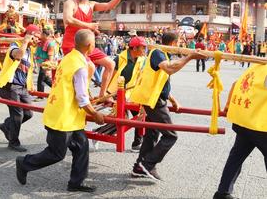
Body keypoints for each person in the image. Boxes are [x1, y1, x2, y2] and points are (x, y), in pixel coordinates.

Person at [15, 29, 105, 193]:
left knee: (81, 147)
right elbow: (82, 98)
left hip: (68, 115)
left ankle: (76, 183)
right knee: (56, 153)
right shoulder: (80, 65)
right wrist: (95, 114)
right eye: (94, 44)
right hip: (63, 116)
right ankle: (24, 163)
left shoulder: (69, 57)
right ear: (90, 45)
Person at [130, 32, 205, 180]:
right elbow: (169, 69)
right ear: (173, 43)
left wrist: (172, 99)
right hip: (154, 100)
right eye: (178, 44)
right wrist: (189, 57)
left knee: (152, 134)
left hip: (153, 98)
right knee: (171, 135)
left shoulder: (162, 53)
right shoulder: (158, 52)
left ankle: (139, 166)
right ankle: (147, 164)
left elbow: (161, 81)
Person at [62, 0, 128, 98]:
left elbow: (110, 6)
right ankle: (82, 95)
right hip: (72, 45)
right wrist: (89, 25)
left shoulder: (92, 5)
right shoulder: (70, 3)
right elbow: (68, 19)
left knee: (110, 64)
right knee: (90, 67)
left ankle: (102, 95)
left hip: (87, 46)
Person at [213, 63, 267, 199]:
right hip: (260, 125)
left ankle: (223, 192)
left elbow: (236, 84)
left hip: (245, 121)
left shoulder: (257, 66)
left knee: (236, 156)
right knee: (236, 155)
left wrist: (227, 105)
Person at [95, 36, 147, 152]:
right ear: (134, 48)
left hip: (131, 92)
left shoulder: (142, 59)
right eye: (142, 48)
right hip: (116, 92)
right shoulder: (119, 58)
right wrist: (105, 93)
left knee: (140, 114)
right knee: (121, 119)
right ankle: (98, 132)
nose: (144, 50)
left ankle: (137, 143)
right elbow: (109, 75)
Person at [0, 24, 41, 152]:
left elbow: (28, 70)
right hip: (10, 86)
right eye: (36, 37)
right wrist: (25, 41)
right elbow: (18, 55)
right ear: (30, 36)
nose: (38, 40)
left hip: (22, 87)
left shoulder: (30, 51)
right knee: (18, 115)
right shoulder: (15, 45)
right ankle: (13, 142)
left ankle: (6, 126)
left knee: (28, 113)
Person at [35, 28, 55, 96]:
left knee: (40, 79)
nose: (40, 35)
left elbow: (51, 57)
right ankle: (57, 89)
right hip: (41, 63)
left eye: (41, 34)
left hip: (45, 64)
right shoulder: (41, 42)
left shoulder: (50, 44)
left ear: (44, 35)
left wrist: (48, 68)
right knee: (46, 79)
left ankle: (40, 95)